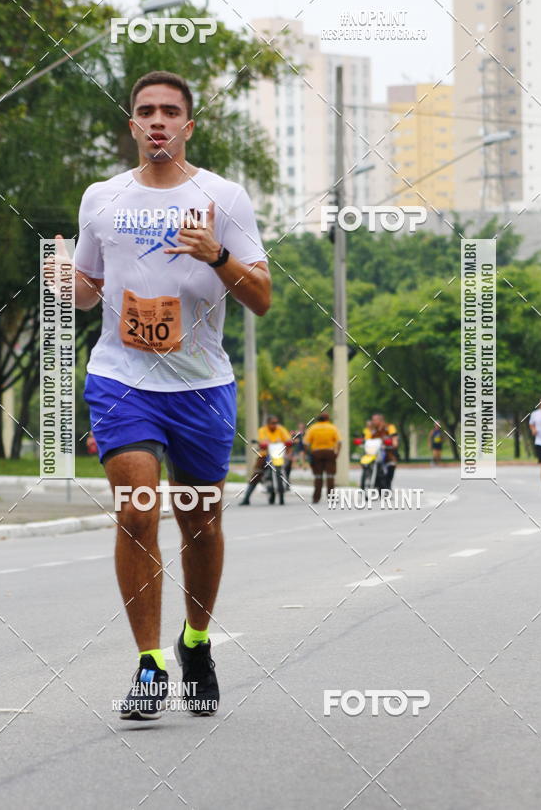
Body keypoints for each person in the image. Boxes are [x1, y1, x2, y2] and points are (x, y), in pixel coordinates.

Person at [59, 70, 270, 720]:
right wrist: (64, 278)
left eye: (169, 112)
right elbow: (91, 290)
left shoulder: (224, 197)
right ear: (132, 125)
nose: (157, 121)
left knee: (200, 526)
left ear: (188, 125)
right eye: (146, 111)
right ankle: (148, 663)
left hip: (202, 385)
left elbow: (260, 298)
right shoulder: (102, 198)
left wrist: (215, 257)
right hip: (122, 379)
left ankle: (196, 642)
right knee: (136, 511)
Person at [239, 415, 291, 505]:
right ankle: (246, 498)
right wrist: (263, 444)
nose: (275, 425)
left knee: (289, 463)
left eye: (276, 423)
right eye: (272, 423)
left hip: (278, 455)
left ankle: (286, 482)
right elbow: (262, 441)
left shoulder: (281, 429)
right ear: (268, 423)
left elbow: (288, 439)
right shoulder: (263, 430)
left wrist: (289, 442)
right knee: (257, 473)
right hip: (265, 454)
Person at [304, 412, 341, 503]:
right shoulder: (332, 428)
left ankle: (316, 498)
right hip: (329, 453)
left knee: (318, 477)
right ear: (327, 419)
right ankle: (331, 498)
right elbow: (339, 442)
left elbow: (305, 443)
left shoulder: (312, 428)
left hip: (316, 453)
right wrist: (337, 453)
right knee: (330, 476)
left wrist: (309, 453)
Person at [364, 413, 399, 488]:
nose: (373, 422)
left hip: (387, 452)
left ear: (381, 420)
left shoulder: (389, 427)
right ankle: (368, 477)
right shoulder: (371, 429)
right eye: (372, 420)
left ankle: (388, 485)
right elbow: (367, 439)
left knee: (391, 464)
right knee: (365, 463)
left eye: (375, 420)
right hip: (374, 453)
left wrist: (393, 443)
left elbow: (394, 438)